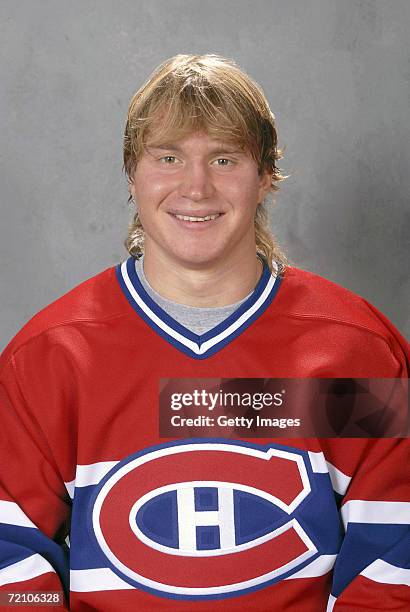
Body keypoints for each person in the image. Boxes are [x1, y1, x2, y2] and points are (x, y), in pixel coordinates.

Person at [0, 54, 408, 611]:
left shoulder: (349, 350)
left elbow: (394, 551)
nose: (196, 187)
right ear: (133, 173)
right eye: (168, 157)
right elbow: (11, 555)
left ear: (265, 176)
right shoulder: (52, 356)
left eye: (224, 159)